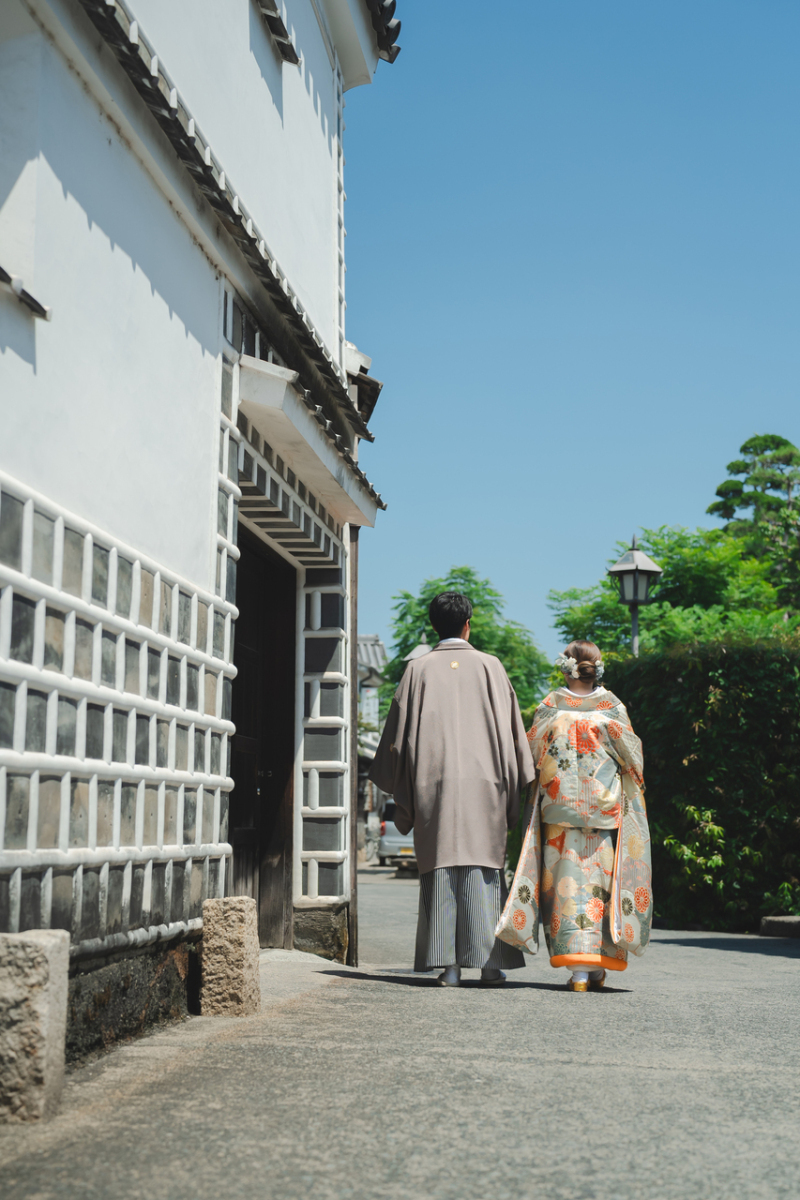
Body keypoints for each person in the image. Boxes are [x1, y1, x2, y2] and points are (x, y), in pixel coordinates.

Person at [369, 592, 535, 986]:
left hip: (434, 783)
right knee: (485, 867)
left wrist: (401, 783)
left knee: (441, 865)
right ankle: (491, 965)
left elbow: (396, 740)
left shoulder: (418, 669)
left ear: (433, 626)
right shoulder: (491, 667)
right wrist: (518, 780)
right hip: (486, 785)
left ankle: (450, 969)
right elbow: (514, 734)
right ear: (468, 625)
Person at [497, 640, 652, 991]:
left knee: (566, 887)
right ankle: (593, 967)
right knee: (600, 888)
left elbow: (531, 753)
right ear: (596, 669)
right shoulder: (611, 708)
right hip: (603, 811)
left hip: (559, 812)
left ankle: (580, 971)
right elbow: (633, 758)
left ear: (566, 668)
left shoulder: (551, 706)